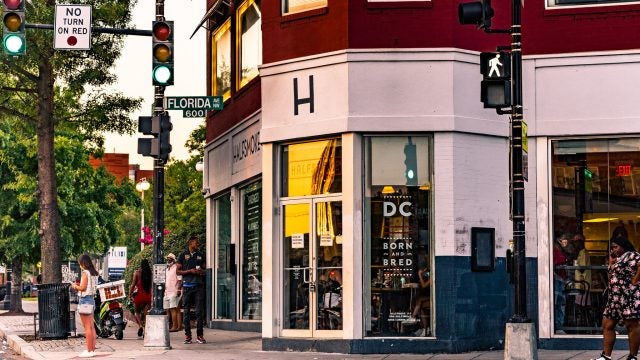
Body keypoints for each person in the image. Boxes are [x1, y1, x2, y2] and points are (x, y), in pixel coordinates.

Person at [591, 237, 640, 360]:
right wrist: (611, 263)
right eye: (612, 248)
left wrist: (635, 280)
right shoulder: (616, 259)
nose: (613, 250)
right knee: (607, 324)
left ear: (623, 245)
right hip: (614, 297)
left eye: (615, 247)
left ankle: (633, 356)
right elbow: (611, 278)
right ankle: (606, 356)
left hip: (628, 296)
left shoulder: (633, 255)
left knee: (631, 325)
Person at [177, 235, 206, 344]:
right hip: (187, 287)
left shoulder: (200, 255)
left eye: (198, 242)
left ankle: (200, 335)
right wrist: (190, 271)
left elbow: (204, 269)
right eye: (196, 242)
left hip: (199, 286)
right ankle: (188, 336)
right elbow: (178, 271)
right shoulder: (182, 255)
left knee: (199, 312)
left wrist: (200, 272)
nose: (197, 244)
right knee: (186, 312)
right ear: (190, 243)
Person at [71, 254, 98, 358]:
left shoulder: (85, 273)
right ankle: (92, 350)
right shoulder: (94, 273)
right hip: (91, 299)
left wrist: (74, 286)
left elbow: (82, 288)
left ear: (83, 263)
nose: (79, 265)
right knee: (91, 327)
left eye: (80, 263)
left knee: (87, 327)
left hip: (85, 300)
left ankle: (89, 350)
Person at [128, 259, 152, 338]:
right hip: (148, 296)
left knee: (136, 312)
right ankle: (145, 329)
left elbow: (133, 284)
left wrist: (129, 294)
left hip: (139, 296)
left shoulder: (137, 273)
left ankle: (140, 326)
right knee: (146, 315)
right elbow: (151, 285)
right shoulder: (150, 273)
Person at [164, 253, 182, 332]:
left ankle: (175, 326)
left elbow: (180, 280)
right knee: (174, 309)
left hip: (174, 291)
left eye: (170, 259)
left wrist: (178, 289)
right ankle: (178, 326)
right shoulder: (167, 269)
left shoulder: (176, 268)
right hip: (168, 292)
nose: (168, 260)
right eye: (168, 259)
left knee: (173, 309)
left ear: (174, 260)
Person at [411, 267, 431, 337]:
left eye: (426, 271)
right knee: (419, 307)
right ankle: (424, 328)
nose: (424, 272)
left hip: (432, 298)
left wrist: (420, 275)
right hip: (427, 297)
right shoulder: (428, 276)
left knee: (419, 300)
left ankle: (413, 317)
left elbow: (424, 285)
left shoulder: (433, 277)